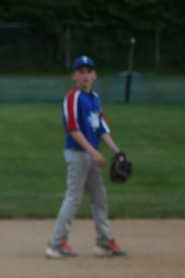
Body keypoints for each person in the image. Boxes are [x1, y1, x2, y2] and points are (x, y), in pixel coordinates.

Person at [46, 55, 128, 259]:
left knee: (100, 198)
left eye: (88, 71)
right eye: (80, 72)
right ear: (74, 76)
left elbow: (101, 128)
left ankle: (104, 242)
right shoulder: (73, 97)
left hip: (91, 156)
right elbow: (73, 129)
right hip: (77, 154)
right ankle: (56, 244)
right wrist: (94, 152)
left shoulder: (95, 99)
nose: (85, 76)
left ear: (95, 75)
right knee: (74, 197)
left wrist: (117, 152)